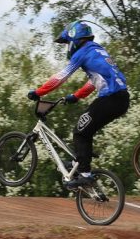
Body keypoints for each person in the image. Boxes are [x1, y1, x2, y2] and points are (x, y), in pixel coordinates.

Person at [28, 20, 130, 188]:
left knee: (80, 133)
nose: (67, 47)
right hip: (122, 99)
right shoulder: (98, 50)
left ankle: (85, 174)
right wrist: (76, 96)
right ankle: (80, 162)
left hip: (110, 99)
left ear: (74, 39)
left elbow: (60, 78)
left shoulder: (82, 52)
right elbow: (94, 82)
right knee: (85, 129)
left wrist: (38, 92)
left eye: (67, 43)